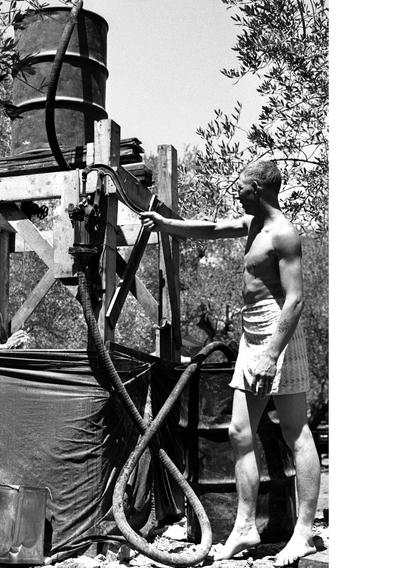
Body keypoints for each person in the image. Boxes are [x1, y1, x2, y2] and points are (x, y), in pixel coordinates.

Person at [140, 161, 320, 567]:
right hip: (250, 335)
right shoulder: (252, 223)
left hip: (279, 336)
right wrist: (166, 225)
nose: (235, 191)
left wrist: (272, 355)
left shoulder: (283, 234)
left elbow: (295, 300)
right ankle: (244, 526)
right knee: (240, 431)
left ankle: (304, 534)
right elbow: (212, 228)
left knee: (296, 431)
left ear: (258, 188)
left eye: (240, 186)